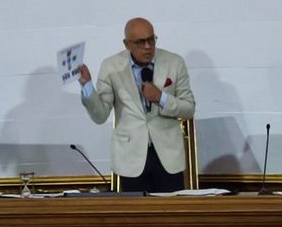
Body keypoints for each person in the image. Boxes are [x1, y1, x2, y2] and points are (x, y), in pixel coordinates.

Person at [78, 17, 195, 193]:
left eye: (151, 39)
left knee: (170, 210)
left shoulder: (174, 62)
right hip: (130, 158)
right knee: (135, 210)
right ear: (127, 44)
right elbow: (100, 116)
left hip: (168, 156)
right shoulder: (111, 66)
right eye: (140, 42)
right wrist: (87, 86)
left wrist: (161, 98)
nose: (148, 46)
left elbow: (189, 109)